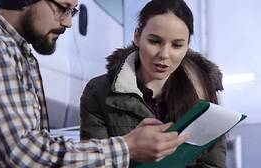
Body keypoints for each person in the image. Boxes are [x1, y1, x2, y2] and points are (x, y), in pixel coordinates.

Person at [0, 0, 189, 167]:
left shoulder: (13, 49)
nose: (69, 22)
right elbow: (21, 155)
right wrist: (128, 147)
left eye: (73, 11)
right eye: (62, 8)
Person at [80, 0, 227, 167]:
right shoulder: (99, 92)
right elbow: (93, 162)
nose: (164, 54)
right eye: (155, 41)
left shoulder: (204, 92)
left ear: (187, 46)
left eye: (177, 45)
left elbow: (214, 164)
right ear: (137, 36)